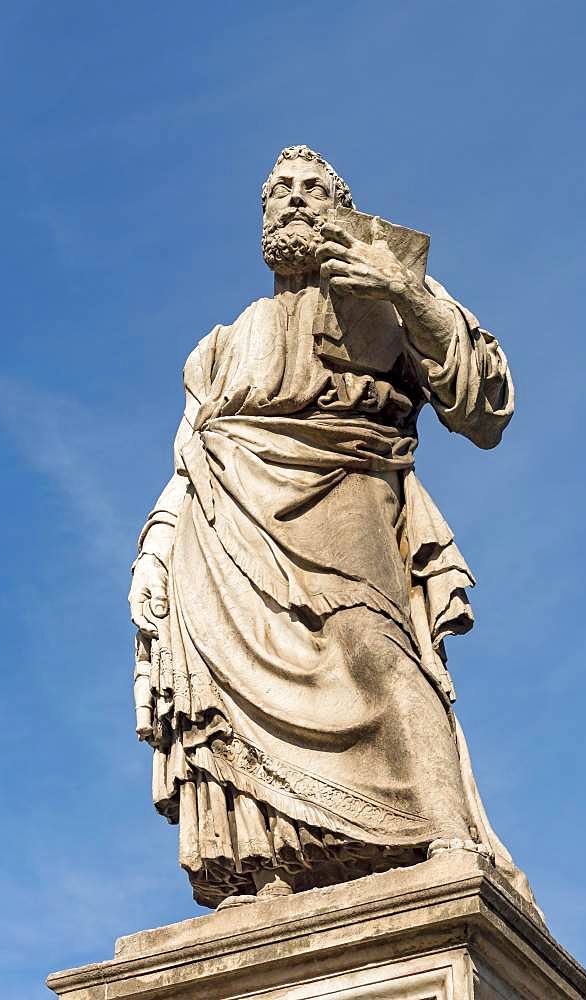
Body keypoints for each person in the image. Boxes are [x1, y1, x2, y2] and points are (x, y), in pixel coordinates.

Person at [129, 145, 538, 911]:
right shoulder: (219, 343)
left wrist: (408, 294)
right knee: (225, 695)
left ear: (339, 205)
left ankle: (447, 839)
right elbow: (188, 460)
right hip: (220, 529)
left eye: (312, 189)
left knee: (377, 655)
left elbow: (483, 407)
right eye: (278, 190)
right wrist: (152, 557)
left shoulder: (384, 293)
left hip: (346, 507)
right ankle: (273, 866)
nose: (293, 199)